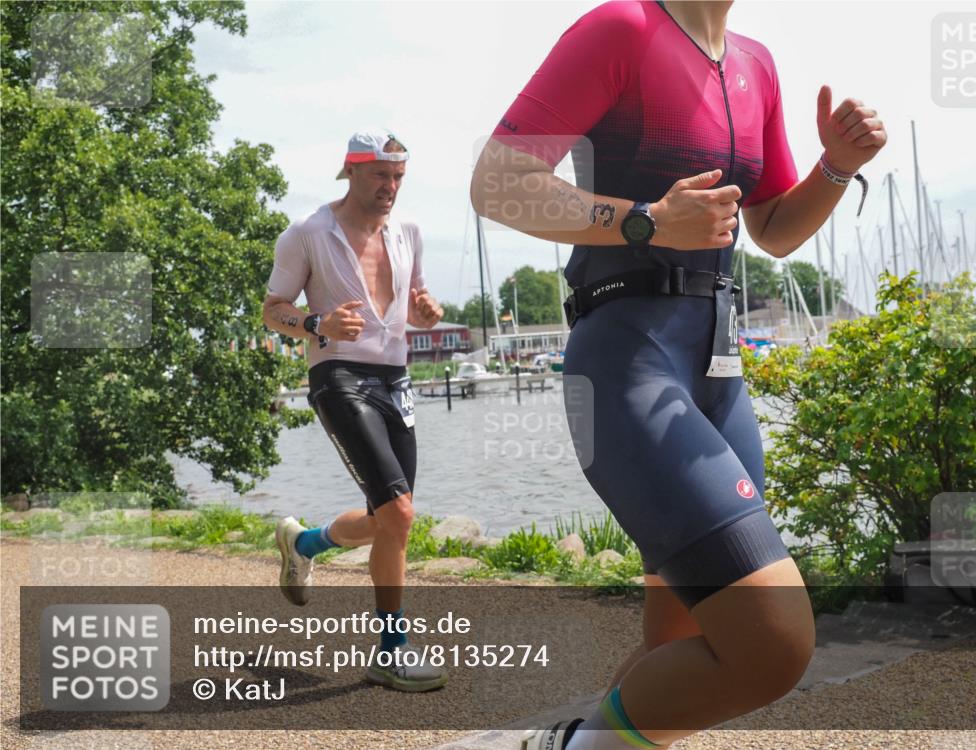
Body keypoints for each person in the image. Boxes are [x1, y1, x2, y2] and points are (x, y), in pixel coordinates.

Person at [470, 2, 886, 748]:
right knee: (772, 644)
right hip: (628, 361)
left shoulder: (756, 62)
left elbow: (775, 229)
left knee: (679, 646)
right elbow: (497, 182)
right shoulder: (621, 29)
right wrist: (645, 222)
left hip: (717, 375)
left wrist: (835, 168)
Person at [263, 129, 447, 692]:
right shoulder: (307, 234)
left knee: (387, 518)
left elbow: (416, 311)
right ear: (351, 171)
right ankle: (392, 650)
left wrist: (428, 311)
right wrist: (316, 323)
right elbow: (273, 311)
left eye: (398, 178)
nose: (390, 187)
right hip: (338, 375)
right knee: (401, 516)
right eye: (380, 177)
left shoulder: (409, 232)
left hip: (396, 379)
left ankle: (304, 543)